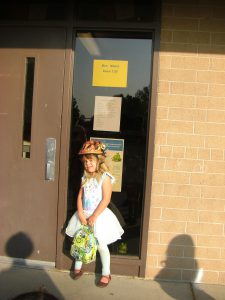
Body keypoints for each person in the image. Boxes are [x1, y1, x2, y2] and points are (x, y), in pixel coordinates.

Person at [65, 140, 124, 287]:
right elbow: (80, 196)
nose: (88, 164)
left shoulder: (105, 178)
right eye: (85, 162)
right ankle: (78, 267)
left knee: (101, 245)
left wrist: (94, 216)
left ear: (99, 160)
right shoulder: (84, 178)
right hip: (84, 215)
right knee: (81, 241)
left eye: (90, 160)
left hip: (99, 215)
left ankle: (106, 272)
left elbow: (106, 199)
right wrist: (80, 213)